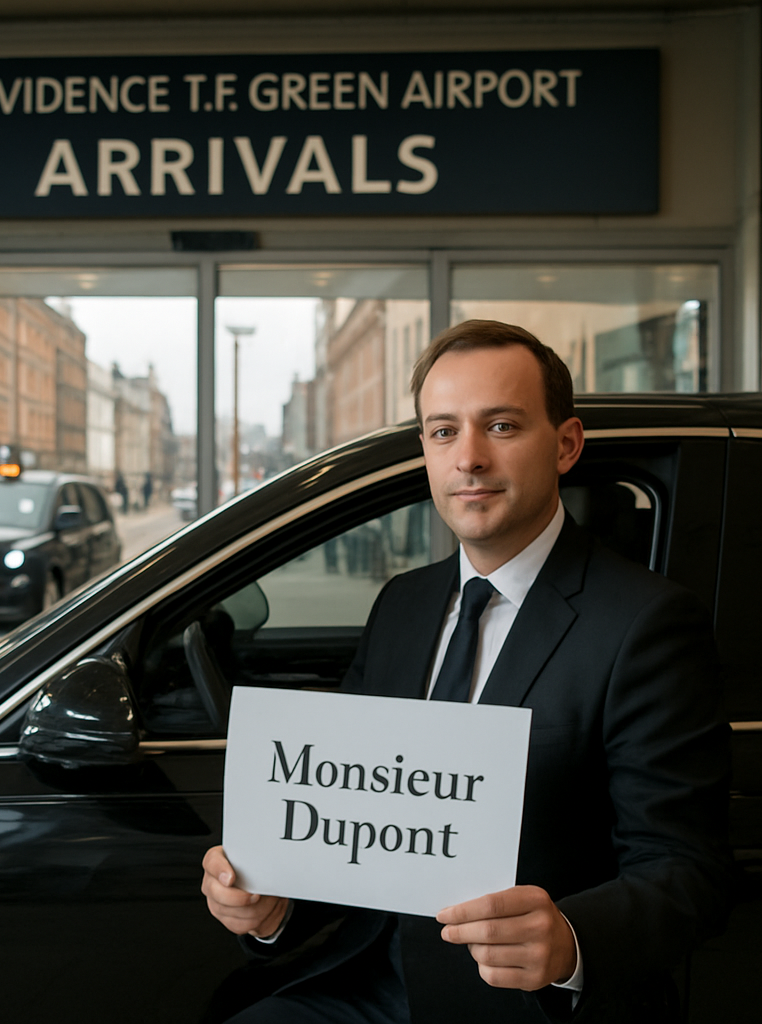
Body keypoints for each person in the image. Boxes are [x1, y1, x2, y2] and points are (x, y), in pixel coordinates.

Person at [201, 320, 729, 1023]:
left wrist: (570, 943)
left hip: (522, 1007)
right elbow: (357, 830)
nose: (469, 458)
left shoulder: (646, 624)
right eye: (443, 431)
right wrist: (272, 903)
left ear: (566, 444)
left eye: (502, 426)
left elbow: (688, 873)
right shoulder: (403, 605)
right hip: (366, 984)